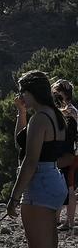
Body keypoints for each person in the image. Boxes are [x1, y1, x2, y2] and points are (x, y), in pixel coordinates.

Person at [7, 70, 68, 248]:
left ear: (32, 92)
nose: (20, 96)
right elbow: (22, 144)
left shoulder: (40, 120)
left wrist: (14, 196)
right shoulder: (55, 116)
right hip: (54, 178)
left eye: (23, 91)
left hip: (40, 183)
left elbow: (29, 161)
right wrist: (21, 113)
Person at [51, 79, 78, 231]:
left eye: (56, 93)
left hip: (70, 154)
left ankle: (69, 222)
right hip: (69, 153)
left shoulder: (70, 111)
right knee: (67, 186)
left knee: (69, 187)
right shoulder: (70, 110)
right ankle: (63, 220)